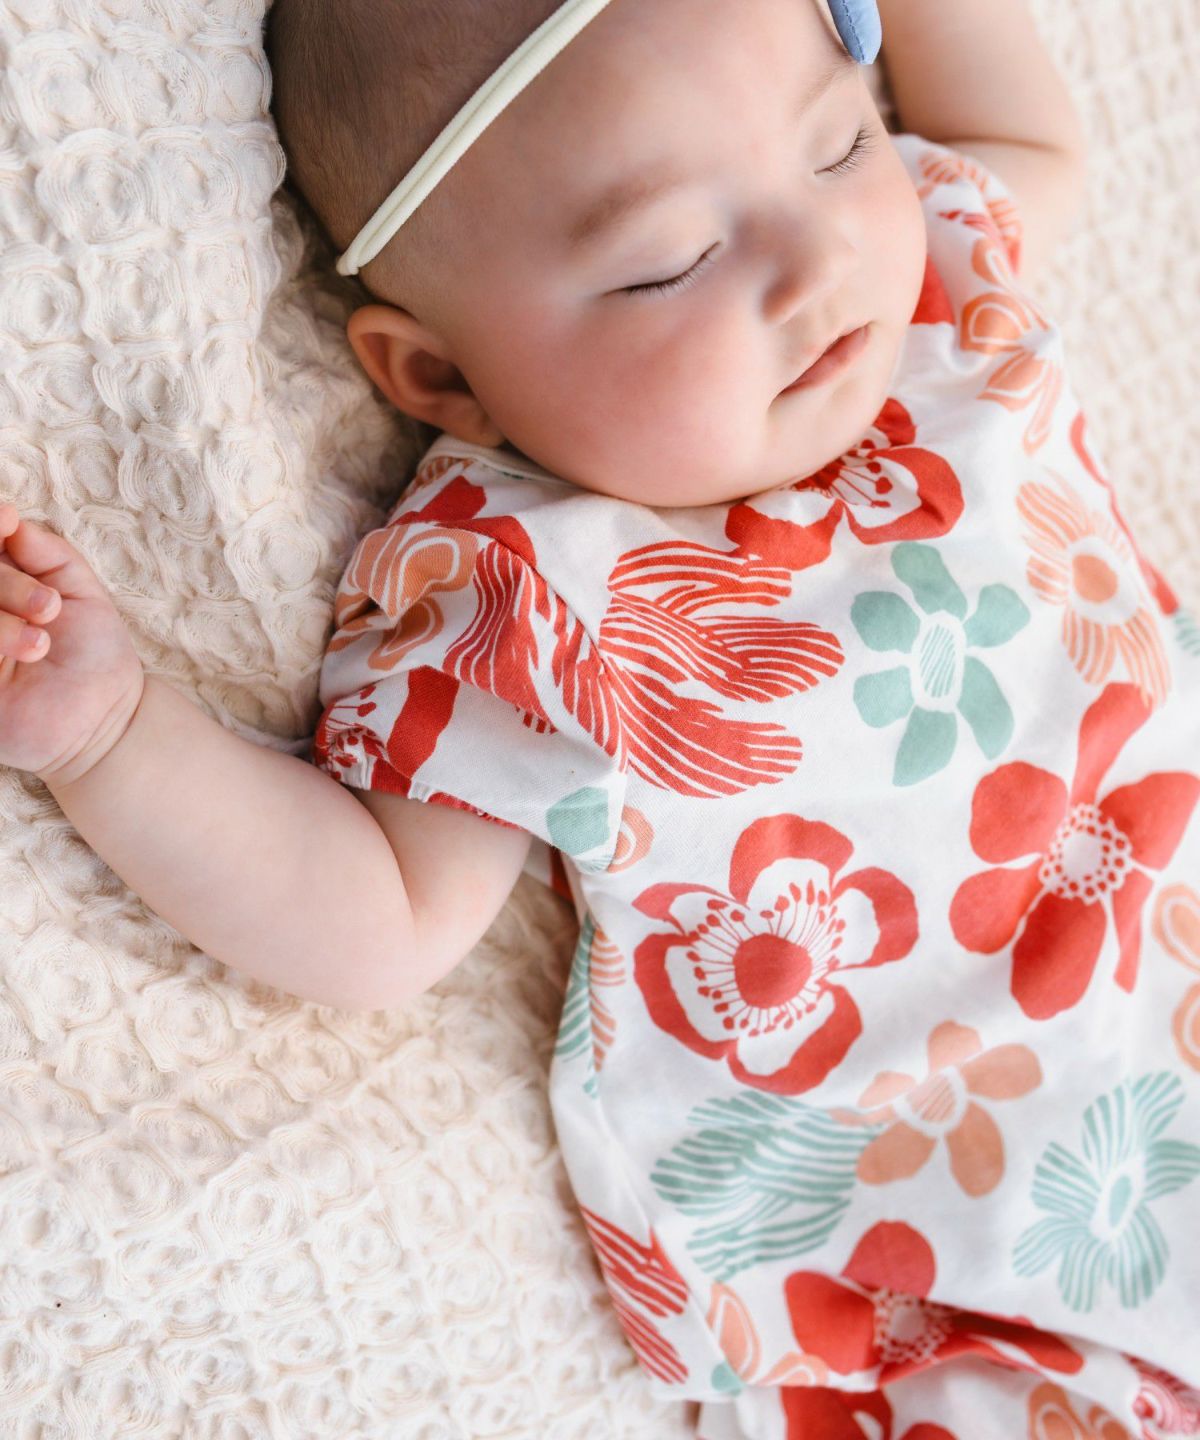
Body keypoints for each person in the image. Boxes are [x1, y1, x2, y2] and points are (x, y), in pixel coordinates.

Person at [1, 0, 1197, 1434]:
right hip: (959, 1259)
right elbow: (380, 915)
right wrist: (109, 734)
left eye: (836, 143)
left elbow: (1026, 137)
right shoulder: (530, 587)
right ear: (443, 379)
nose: (816, 260)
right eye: (673, 261)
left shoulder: (939, 285)